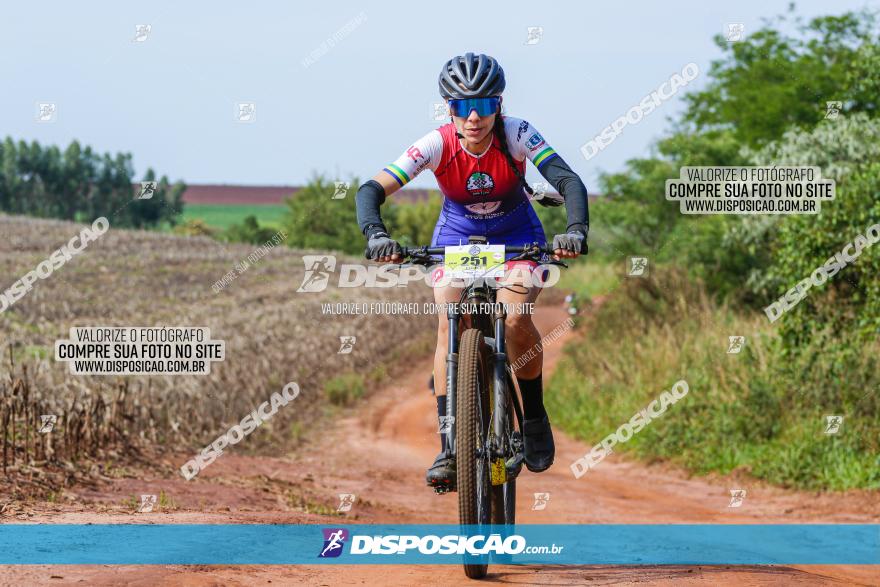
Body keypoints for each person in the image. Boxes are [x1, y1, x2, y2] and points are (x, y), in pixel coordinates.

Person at [355, 52, 589, 490]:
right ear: (450, 109)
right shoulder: (437, 143)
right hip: (456, 241)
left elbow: (568, 181)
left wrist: (574, 230)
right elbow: (372, 189)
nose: (475, 116)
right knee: (448, 320)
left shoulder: (517, 132)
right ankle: (449, 445)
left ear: (499, 104)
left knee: (516, 316)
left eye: (485, 104)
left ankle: (534, 418)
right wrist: (375, 235)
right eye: (463, 106)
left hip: (517, 237)